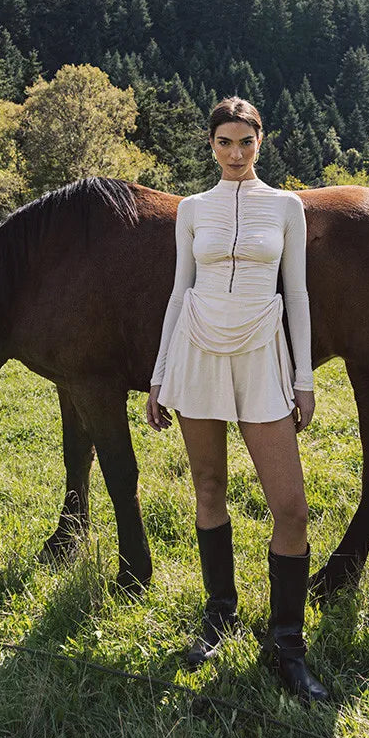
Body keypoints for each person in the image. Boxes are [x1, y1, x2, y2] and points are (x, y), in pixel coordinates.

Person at [146, 96, 328, 704]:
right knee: (207, 487)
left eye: (244, 143)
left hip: (261, 351)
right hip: (197, 346)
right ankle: (220, 615)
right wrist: (159, 372)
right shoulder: (192, 210)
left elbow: (297, 294)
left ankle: (286, 646)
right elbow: (179, 291)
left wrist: (304, 377)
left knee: (292, 508)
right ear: (211, 144)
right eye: (224, 142)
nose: (234, 153)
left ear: (260, 143)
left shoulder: (286, 207)